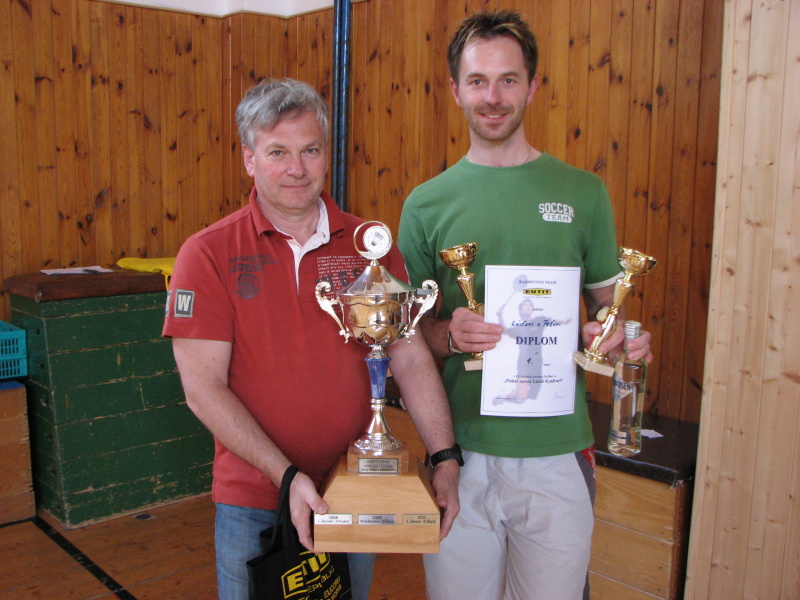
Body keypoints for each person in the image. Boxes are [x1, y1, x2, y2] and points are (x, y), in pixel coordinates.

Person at [163, 78, 460, 600]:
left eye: (310, 150)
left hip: (357, 486)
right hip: (255, 499)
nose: (296, 168)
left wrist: (444, 457)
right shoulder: (207, 253)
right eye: (277, 152)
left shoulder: (371, 247)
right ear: (249, 159)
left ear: (326, 154)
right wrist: (286, 477)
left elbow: (410, 359)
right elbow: (202, 389)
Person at [397, 11, 652, 600]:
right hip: (459, 453)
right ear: (455, 89)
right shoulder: (425, 205)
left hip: (558, 453)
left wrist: (618, 335)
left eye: (508, 80)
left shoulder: (583, 194)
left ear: (533, 87)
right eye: (478, 81)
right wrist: (450, 334)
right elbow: (409, 337)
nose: (493, 97)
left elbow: (608, 310)